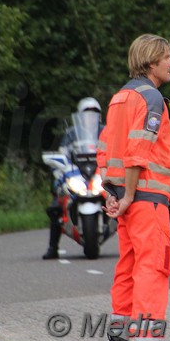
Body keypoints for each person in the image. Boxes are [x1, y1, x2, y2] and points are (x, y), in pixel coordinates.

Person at [97, 34, 170, 341]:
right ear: (151, 62)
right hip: (146, 201)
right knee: (152, 269)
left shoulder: (119, 98)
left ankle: (120, 337)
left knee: (128, 266)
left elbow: (104, 149)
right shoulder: (151, 99)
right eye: (167, 57)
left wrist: (111, 193)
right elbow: (136, 153)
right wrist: (128, 194)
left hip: (127, 202)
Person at [42, 97, 104, 260]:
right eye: (87, 114)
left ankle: (133, 247)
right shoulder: (71, 134)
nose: (91, 118)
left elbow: (116, 153)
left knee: (127, 202)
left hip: (100, 173)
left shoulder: (106, 132)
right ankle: (53, 247)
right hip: (77, 174)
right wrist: (60, 171)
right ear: (80, 116)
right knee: (57, 205)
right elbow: (62, 155)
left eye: (94, 115)